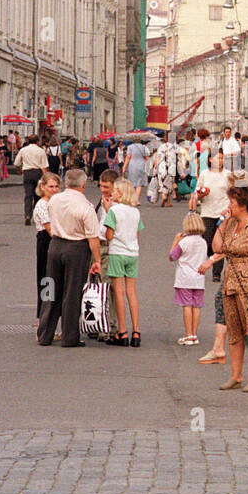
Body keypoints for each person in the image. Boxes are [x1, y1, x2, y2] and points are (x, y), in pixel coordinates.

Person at [200, 184, 248, 392]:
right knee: (233, 331)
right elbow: (217, 248)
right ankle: (235, 375)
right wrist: (222, 224)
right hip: (230, 281)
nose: (229, 205)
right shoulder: (231, 223)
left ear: (243, 205)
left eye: (232, 202)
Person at [37, 168, 103, 348]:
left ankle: (44, 333)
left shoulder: (54, 200)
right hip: (77, 248)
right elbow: (93, 238)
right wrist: (97, 260)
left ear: (66, 183)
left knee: (50, 289)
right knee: (72, 292)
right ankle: (69, 335)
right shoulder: (86, 206)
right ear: (83, 184)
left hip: (55, 245)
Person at [102, 179, 145, 347]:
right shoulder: (135, 212)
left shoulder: (114, 211)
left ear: (119, 193)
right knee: (132, 292)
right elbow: (137, 234)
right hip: (132, 253)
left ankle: (122, 331)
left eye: (114, 191)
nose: (112, 193)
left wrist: (107, 211)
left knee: (119, 293)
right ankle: (136, 331)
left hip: (117, 252)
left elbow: (109, 235)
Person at [190, 148, 230, 281]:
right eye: (217, 158)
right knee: (207, 241)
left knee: (219, 243)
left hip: (223, 213)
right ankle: (213, 258)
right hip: (207, 212)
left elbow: (232, 194)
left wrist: (230, 210)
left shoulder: (228, 175)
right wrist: (201, 194)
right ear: (210, 160)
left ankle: (217, 272)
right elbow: (197, 194)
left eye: (222, 158)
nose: (220, 161)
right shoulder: (204, 174)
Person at [170, 211, 208, 345]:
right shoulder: (203, 242)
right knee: (196, 306)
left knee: (187, 305)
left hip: (185, 277)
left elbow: (172, 256)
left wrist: (175, 241)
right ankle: (194, 334)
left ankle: (188, 334)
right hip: (199, 278)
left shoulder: (184, 242)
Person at [32, 171, 60, 323]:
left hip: (55, 241)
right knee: (46, 280)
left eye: (56, 186)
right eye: (51, 186)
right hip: (46, 241)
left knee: (55, 282)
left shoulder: (55, 203)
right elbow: (50, 230)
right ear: (42, 187)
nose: (54, 189)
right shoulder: (42, 204)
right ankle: (43, 322)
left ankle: (52, 320)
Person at [17, 134, 48, 225]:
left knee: (28, 195)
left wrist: (20, 171)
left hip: (27, 172)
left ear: (28, 141)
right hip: (38, 173)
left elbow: (16, 163)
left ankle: (27, 215)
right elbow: (44, 166)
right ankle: (37, 215)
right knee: (38, 195)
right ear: (37, 141)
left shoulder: (23, 150)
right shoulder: (41, 151)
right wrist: (45, 178)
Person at [123, 134, 152, 204]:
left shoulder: (130, 147)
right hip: (141, 165)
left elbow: (128, 157)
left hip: (132, 165)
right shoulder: (144, 147)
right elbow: (147, 158)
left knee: (132, 183)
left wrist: (124, 167)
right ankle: (136, 200)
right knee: (139, 184)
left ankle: (132, 199)